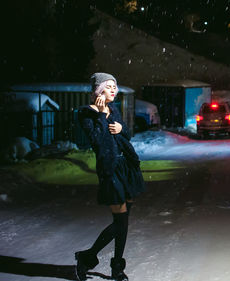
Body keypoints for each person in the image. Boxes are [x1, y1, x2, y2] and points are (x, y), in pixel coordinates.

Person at [75, 72, 145, 281]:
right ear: (98, 90)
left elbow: (125, 137)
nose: (114, 89)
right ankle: (87, 257)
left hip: (127, 167)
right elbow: (99, 144)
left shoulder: (113, 108)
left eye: (115, 86)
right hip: (110, 170)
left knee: (123, 221)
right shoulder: (86, 114)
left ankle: (116, 268)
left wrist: (122, 128)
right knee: (121, 221)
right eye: (109, 86)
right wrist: (101, 116)